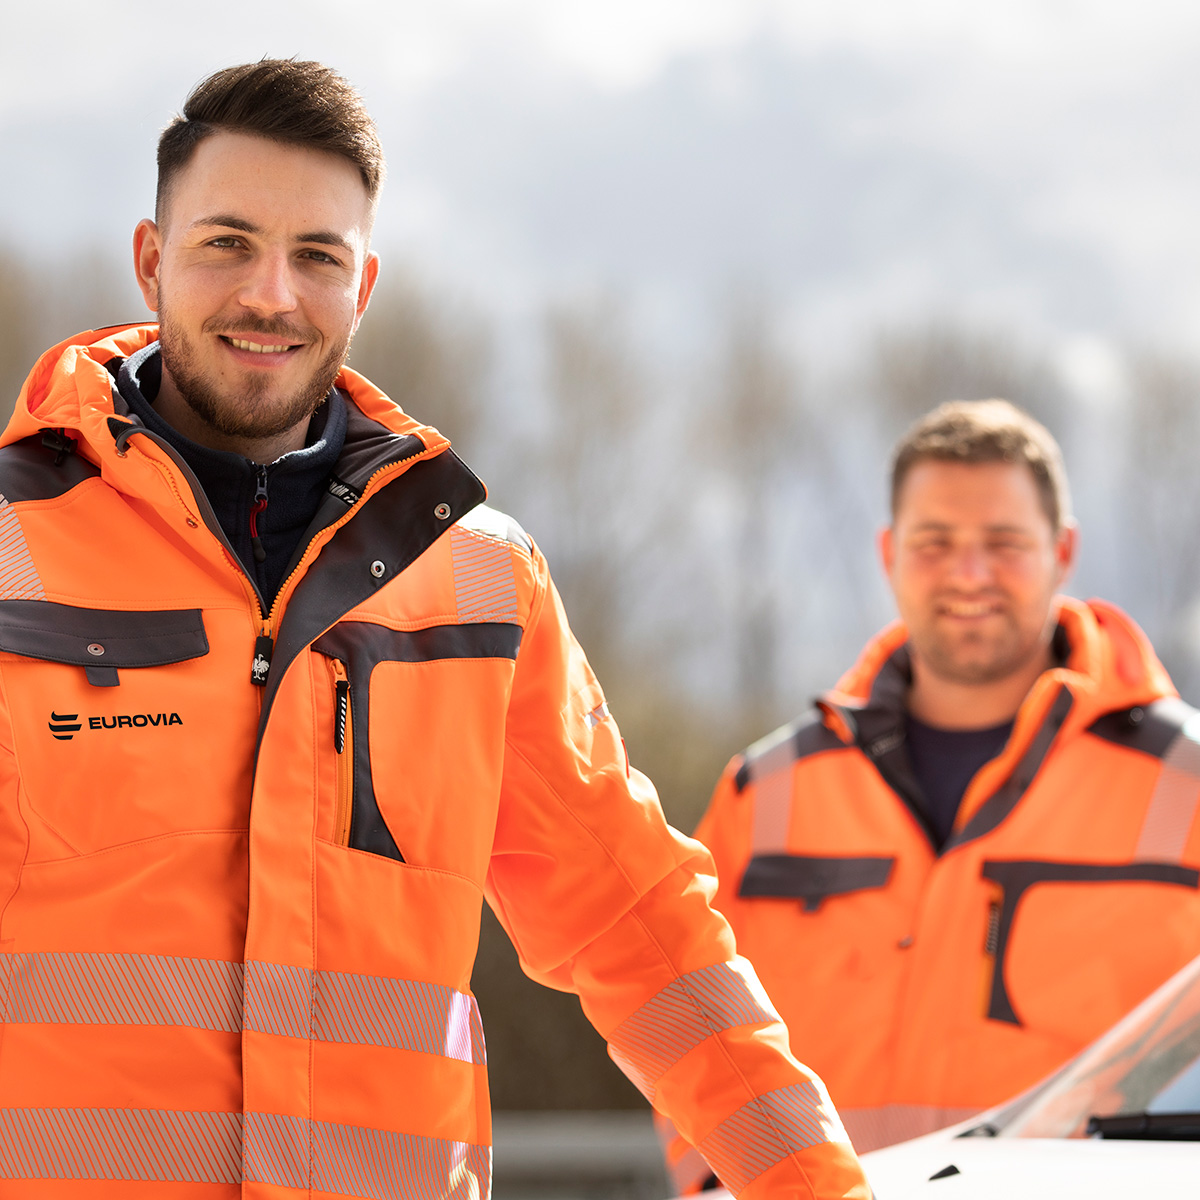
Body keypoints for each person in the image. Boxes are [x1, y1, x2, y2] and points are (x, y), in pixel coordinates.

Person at [0, 60, 870, 1200]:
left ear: (362, 285)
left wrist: (819, 1186)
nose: (272, 293)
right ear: (152, 261)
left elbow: (640, 922)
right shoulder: (16, 549)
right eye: (226, 243)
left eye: (317, 256)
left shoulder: (476, 577)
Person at [660, 399, 1200, 1189]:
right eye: (935, 542)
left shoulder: (1186, 785)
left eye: (1004, 543)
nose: (969, 573)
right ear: (888, 553)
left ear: (1065, 551)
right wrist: (715, 1183)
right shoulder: (764, 795)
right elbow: (681, 1018)